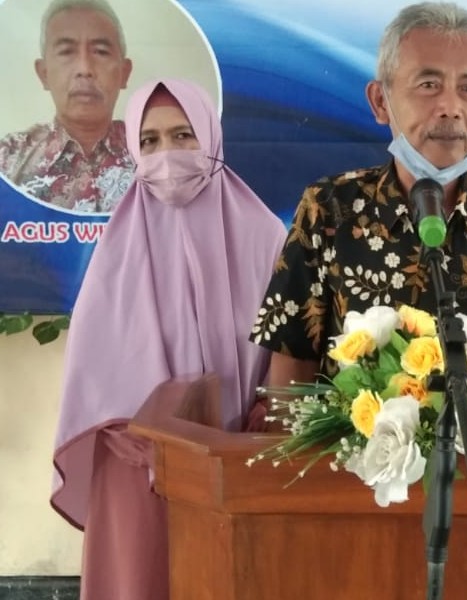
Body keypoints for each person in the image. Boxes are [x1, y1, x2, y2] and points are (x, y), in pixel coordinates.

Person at [249, 1, 467, 433]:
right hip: (354, 470)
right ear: (380, 101)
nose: (450, 107)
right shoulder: (329, 208)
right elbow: (291, 375)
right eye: (428, 84)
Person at [51, 79, 286, 599]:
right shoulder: (118, 246)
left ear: (211, 137)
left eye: (183, 135)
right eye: (150, 141)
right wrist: (141, 438)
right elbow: (95, 368)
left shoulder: (267, 236)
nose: (168, 155)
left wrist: (260, 421)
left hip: (239, 460)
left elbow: (289, 345)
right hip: (136, 461)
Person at [0, 0, 133, 212]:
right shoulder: (8, 159)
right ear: (44, 73)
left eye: (100, 51)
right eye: (66, 52)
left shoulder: (155, 153)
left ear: (124, 73)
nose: (84, 68)